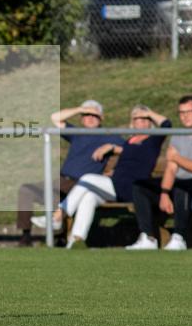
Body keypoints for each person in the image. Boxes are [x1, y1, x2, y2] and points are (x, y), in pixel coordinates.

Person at [58, 105, 170, 248]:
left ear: (150, 122)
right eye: (137, 119)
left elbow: (167, 124)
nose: (140, 122)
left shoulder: (153, 140)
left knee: (87, 179)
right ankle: (76, 240)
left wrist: (150, 112)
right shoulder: (130, 141)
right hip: (116, 185)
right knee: (89, 197)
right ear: (132, 123)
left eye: (144, 119)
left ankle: (59, 214)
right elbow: (128, 156)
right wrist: (111, 147)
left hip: (133, 189)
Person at [17, 101, 123, 246]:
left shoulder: (110, 137)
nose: (90, 118)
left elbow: (130, 153)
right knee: (26, 190)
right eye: (86, 115)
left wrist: (111, 147)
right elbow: (55, 118)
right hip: (61, 180)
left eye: (94, 115)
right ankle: (26, 236)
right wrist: (80, 108)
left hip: (82, 184)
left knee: (55, 195)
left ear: (101, 118)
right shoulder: (76, 133)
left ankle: (59, 234)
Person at [128, 95, 192, 251]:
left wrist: (177, 158)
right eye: (181, 113)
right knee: (140, 186)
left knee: (182, 186)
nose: (185, 116)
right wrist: (164, 193)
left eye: (190, 111)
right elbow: (171, 167)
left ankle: (180, 237)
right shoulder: (178, 135)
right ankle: (148, 237)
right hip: (182, 182)